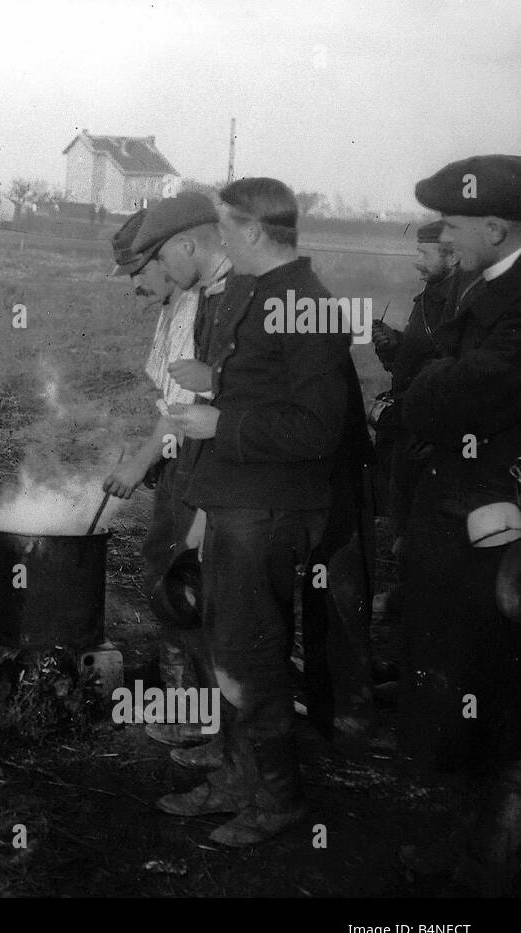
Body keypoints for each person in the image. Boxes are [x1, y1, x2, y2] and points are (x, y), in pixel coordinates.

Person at [158, 177, 352, 847]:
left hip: (268, 510)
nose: (216, 239)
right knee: (230, 649)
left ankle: (278, 802)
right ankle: (241, 780)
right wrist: (217, 386)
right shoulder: (265, 292)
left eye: (223, 227)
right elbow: (270, 383)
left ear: (253, 232)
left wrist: (221, 423)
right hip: (239, 503)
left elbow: (319, 427)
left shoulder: (304, 302)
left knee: (253, 660)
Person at [397, 154, 521, 894]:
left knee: (502, 698)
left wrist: (426, 389)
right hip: (465, 518)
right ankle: (474, 840)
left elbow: (455, 392)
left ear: (496, 227)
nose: (442, 235)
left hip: (498, 529)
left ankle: (493, 868)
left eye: (451, 223)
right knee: (469, 689)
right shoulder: (484, 283)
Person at [105, 194, 232, 759]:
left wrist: (139, 463)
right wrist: (146, 452)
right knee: (169, 567)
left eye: (139, 271)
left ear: (166, 256)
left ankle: (197, 716)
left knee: (182, 576)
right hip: (184, 457)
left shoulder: (193, 309)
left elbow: (183, 407)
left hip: (204, 464)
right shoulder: (175, 306)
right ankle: (189, 703)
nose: (133, 285)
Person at [370, 221, 464, 617]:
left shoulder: (459, 305)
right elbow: (417, 360)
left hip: (428, 430)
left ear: (452, 256)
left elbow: (455, 375)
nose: (417, 265)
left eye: (424, 255)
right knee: (403, 515)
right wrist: (392, 346)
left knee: (424, 526)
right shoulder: (431, 296)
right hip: (410, 424)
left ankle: (411, 604)